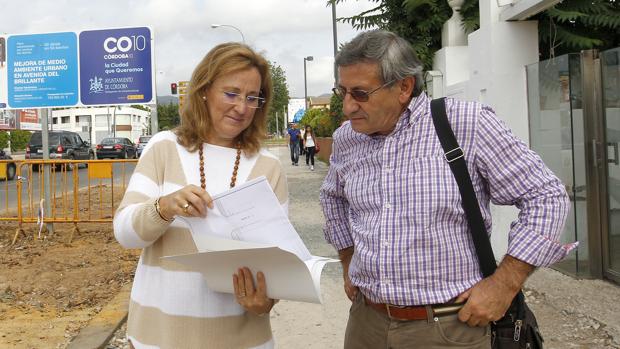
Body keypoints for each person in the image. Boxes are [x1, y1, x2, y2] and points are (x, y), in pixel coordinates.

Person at [320, 29, 572, 349]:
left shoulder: (465, 124)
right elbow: (332, 197)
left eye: (360, 93)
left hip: (449, 329)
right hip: (366, 324)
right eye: (342, 91)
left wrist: (504, 284)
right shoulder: (346, 139)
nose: (347, 107)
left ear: (404, 87)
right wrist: (348, 260)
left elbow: (546, 195)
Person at [114, 43, 288, 349]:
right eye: (231, 93)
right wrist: (163, 207)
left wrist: (266, 301)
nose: (242, 107)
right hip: (158, 338)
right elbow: (126, 233)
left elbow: (277, 262)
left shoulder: (268, 167)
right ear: (204, 90)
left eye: (252, 98)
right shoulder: (164, 147)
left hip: (244, 341)